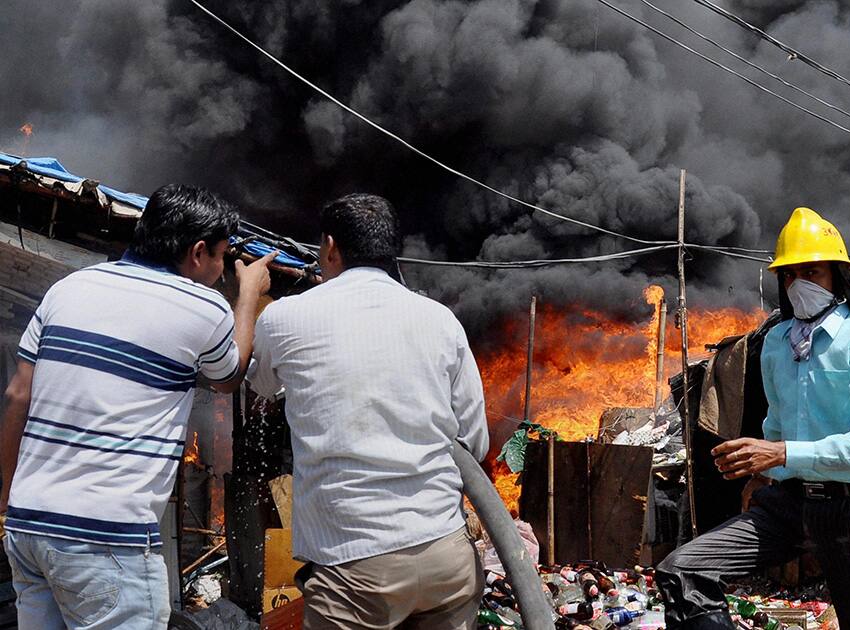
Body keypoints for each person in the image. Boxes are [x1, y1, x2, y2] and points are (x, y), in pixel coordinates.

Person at [0, 184, 275, 629]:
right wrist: (247, 296)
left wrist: (11, 495)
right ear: (198, 252)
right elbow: (228, 377)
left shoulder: (70, 285)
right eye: (222, 258)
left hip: (29, 527)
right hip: (106, 539)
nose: (223, 269)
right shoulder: (203, 304)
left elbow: (17, 395)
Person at [247, 193, 489, 630]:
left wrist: (249, 296)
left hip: (354, 569)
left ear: (331, 247)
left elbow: (259, 384)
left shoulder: (285, 317)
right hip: (446, 559)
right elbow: (474, 440)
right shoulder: (440, 319)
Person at [656, 207, 850, 630]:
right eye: (789, 275)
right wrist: (762, 475)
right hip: (788, 503)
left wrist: (779, 452)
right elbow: (776, 419)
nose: (798, 284)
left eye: (812, 272)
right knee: (683, 570)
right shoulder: (775, 343)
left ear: (838, 277)